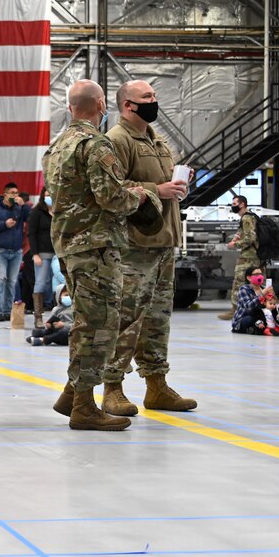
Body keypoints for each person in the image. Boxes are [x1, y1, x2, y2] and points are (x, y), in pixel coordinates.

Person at [41, 79, 150, 431]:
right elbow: (111, 198)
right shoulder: (95, 144)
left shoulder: (56, 147)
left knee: (87, 321)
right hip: (96, 248)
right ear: (101, 105)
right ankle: (85, 407)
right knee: (98, 326)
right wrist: (142, 195)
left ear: (70, 107)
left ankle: (73, 394)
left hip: (70, 246)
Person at [103, 80, 197, 416]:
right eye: (147, 97)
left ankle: (156, 385)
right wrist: (158, 187)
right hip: (134, 246)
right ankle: (112, 386)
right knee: (127, 317)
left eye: (154, 96)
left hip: (163, 241)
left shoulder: (158, 142)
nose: (153, 101)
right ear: (128, 105)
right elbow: (112, 191)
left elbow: (164, 187)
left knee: (158, 318)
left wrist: (179, 184)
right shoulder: (117, 140)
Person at [0, 182, 31, 322]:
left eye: (17, 193)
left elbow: (29, 218)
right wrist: (4, 224)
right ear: (5, 194)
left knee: (12, 281)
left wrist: (24, 205)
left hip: (16, 251)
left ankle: (7, 310)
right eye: (12, 193)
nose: (15, 196)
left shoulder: (19, 208)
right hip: (0, 250)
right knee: (0, 280)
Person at [219, 195, 258, 320]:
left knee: (238, 282)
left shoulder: (246, 218)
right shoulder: (250, 217)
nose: (233, 206)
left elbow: (250, 238)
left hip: (248, 256)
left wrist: (234, 244)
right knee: (256, 283)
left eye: (235, 203)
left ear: (242, 204)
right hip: (254, 256)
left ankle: (234, 310)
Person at [27, 187, 55, 324]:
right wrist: (35, 254)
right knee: (41, 282)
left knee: (55, 283)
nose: (49, 197)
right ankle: (38, 316)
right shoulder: (37, 212)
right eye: (47, 195)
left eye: (51, 195)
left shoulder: (58, 211)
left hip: (57, 253)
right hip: (42, 253)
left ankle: (55, 312)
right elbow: (31, 234)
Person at [231, 265, 268, 334]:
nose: (259, 276)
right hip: (245, 317)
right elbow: (248, 306)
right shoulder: (244, 289)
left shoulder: (263, 289)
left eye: (260, 274)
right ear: (249, 277)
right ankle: (253, 328)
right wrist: (261, 295)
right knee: (248, 319)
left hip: (259, 316)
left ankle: (257, 328)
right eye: (256, 274)